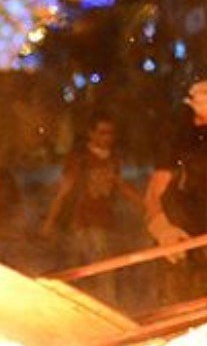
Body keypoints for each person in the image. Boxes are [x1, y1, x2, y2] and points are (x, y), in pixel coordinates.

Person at [144, 80, 207, 300]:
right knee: (175, 297)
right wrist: (163, 231)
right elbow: (151, 196)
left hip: (198, 230)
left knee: (202, 295)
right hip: (173, 235)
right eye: (200, 117)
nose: (205, 122)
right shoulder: (174, 143)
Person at [41, 113, 141, 302]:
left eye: (110, 133)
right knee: (92, 275)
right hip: (83, 223)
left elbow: (119, 186)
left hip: (104, 222)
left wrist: (145, 207)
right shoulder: (80, 159)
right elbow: (64, 189)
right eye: (102, 133)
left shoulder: (112, 159)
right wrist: (50, 220)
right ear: (91, 134)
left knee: (101, 273)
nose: (107, 138)